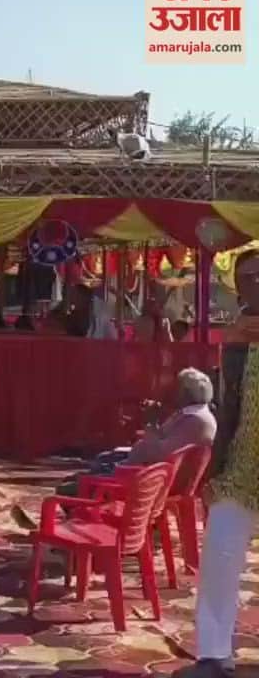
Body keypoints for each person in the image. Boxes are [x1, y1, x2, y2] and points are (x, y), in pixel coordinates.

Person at [176, 250, 259, 678]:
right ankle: (214, 655)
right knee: (220, 559)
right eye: (247, 278)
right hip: (241, 467)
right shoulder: (237, 334)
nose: (255, 284)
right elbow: (226, 403)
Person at [53, 367, 216, 496]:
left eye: (175, 387)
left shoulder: (195, 420)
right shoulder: (193, 415)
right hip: (145, 475)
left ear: (185, 393)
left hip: (144, 481)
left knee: (68, 489)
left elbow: (158, 453)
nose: (170, 391)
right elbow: (161, 444)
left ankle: (85, 525)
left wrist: (150, 421)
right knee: (84, 474)